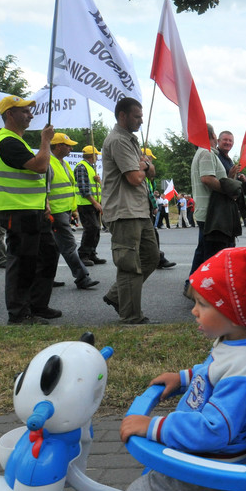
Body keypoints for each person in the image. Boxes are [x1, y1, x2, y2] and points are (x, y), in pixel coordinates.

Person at [113, 246, 246, 491]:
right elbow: (215, 374)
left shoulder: (244, 366)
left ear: (234, 312)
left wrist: (152, 426)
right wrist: (183, 378)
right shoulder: (240, 341)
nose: (194, 310)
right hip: (216, 451)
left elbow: (213, 430)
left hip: (216, 459)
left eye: (203, 304)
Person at [0, 95, 61, 324]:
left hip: (33, 211)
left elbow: (33, 177)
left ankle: (38, 305)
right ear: (10, 114)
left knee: (47, 255)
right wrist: (46, 140)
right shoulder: (6, 141)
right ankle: (19, 313)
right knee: (22, 263)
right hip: (17, 212)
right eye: (24, 111)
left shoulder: (16, 141)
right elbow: (40, 166)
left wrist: (44, 203)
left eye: (30, 110)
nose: (31, 114)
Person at [101, 97, 160, 324]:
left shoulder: (131, 140)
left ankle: (117, 296)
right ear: (122, 116)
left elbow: (150, 171)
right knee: (129, 265)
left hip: (139, 210)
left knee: (151, 257)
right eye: (137, 116)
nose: (141, 121)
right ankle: (131, 316)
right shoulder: (118, 140)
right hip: (124, 211)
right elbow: (136, 177)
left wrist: (145, 166)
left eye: (142, 116)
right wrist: (145, 165)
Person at [47, 132, 99, 290]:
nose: (71, 148)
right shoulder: (48, 162)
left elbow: (70, 188)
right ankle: (82, 277)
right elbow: (44, 189)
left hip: (65, 211)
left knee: (54, 247)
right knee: (69, 245)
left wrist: (73, 209)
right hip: (55, 212)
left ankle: (45, 278)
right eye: (68, 145)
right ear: (57, 146)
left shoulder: (63, 163)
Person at [188, 124, 240, 279]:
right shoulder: (207, 153)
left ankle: (193, 284)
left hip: (208, 211)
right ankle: (205, 289)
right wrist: (229, 190)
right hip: (213, 213)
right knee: (212, 255)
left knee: (204, 250)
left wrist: (229, 179)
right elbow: (207, 179)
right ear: (212, 135)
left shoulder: (203, 152)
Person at [75, 144, 105, 266]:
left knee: (96, 229)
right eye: (96, 155)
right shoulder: (82, 167)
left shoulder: (90, 167)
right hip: (86, 204)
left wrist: (99, 181)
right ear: (92, 156)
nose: (98, 157)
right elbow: (84, 189)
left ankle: (92, 253)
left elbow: (95, 187)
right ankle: (84, 254)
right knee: (91, 228)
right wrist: (95, 203)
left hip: (93, 204)